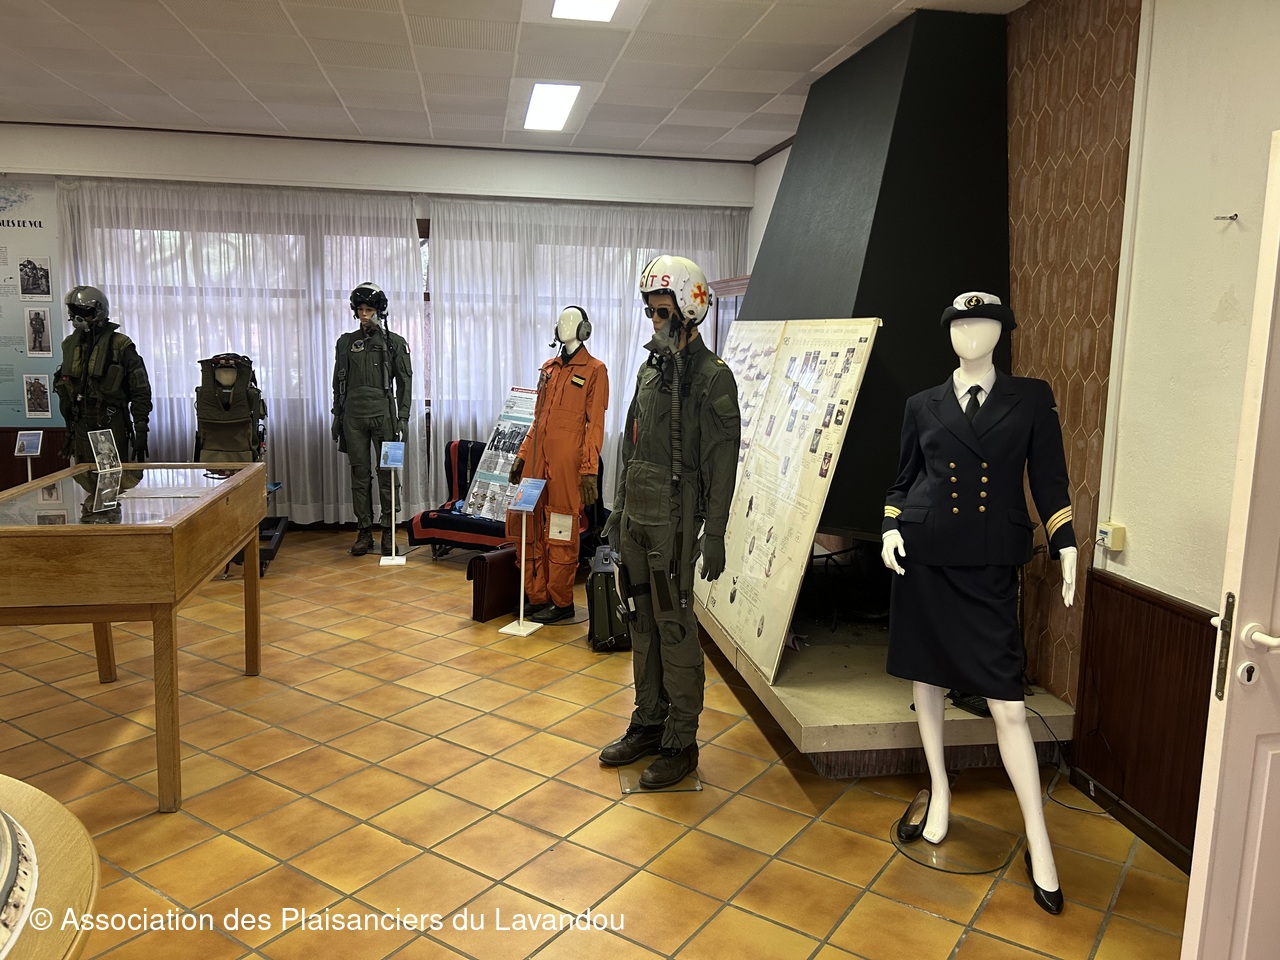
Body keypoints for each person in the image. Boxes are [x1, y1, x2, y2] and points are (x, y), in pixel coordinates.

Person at [880, 291, 1077, 915]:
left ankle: (1039, 842)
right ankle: (939, 791)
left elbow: (1049, 479)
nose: (971, 333)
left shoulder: (1031, 398)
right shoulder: (922, 404)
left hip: (990, 563)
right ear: (948, 334)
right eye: (960, 324)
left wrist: (1066, 543)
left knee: (1008, 704)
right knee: (927, 680)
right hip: (925, 556)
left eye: (984, 323)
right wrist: (889, 526)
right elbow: (904, 480)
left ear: (1002, 332)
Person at [598, 255, 741, 789]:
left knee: (674, 627)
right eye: (650, 311)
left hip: (675, 527)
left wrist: (716, 534)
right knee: (641, 622)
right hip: (638, 517)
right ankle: (649, 721)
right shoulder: (650, 370)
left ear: (689, 310)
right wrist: (617, 512)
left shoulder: (712, 379)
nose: (654, 321)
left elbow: (723, 464)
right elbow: (630, 445)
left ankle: (682, 739)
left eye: (663, 311)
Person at [507, 306, 609, 624]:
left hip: (568, 463)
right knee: (525, 523)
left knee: (561, 528)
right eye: (561, 321)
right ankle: (536, 595)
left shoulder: (595, 370)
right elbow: (538, 420)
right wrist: (522, 454)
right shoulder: (548, 369)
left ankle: (561, 601)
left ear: (584, 329)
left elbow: (595, 425)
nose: (563, 326)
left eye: (571, 321)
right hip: (536, 459)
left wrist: (589, 469)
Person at [331, 282, 412, 557]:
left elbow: (405, 382)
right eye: (361, 309)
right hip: (353, 417)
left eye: (370, 309)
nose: (365, 314)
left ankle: (388, 530)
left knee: (388, 474)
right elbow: (338, 383)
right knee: (359, 475)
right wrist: (337, 416)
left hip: (384, 416)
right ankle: (364, 530)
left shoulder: (394, 343)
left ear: (380, 310)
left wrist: (403, 417)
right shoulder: (345, 342)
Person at [53, 285, 152, 471]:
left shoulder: (120, 345)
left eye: (83, 311)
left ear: (99, 311)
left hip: (109, 420)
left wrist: (141, 426)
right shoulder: (70, 345)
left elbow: (140, 389)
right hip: (79, 422)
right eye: (73, 311)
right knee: (84, 475)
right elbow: (66, 388)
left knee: (111, 477)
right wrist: (69, 430)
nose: (77, 316)